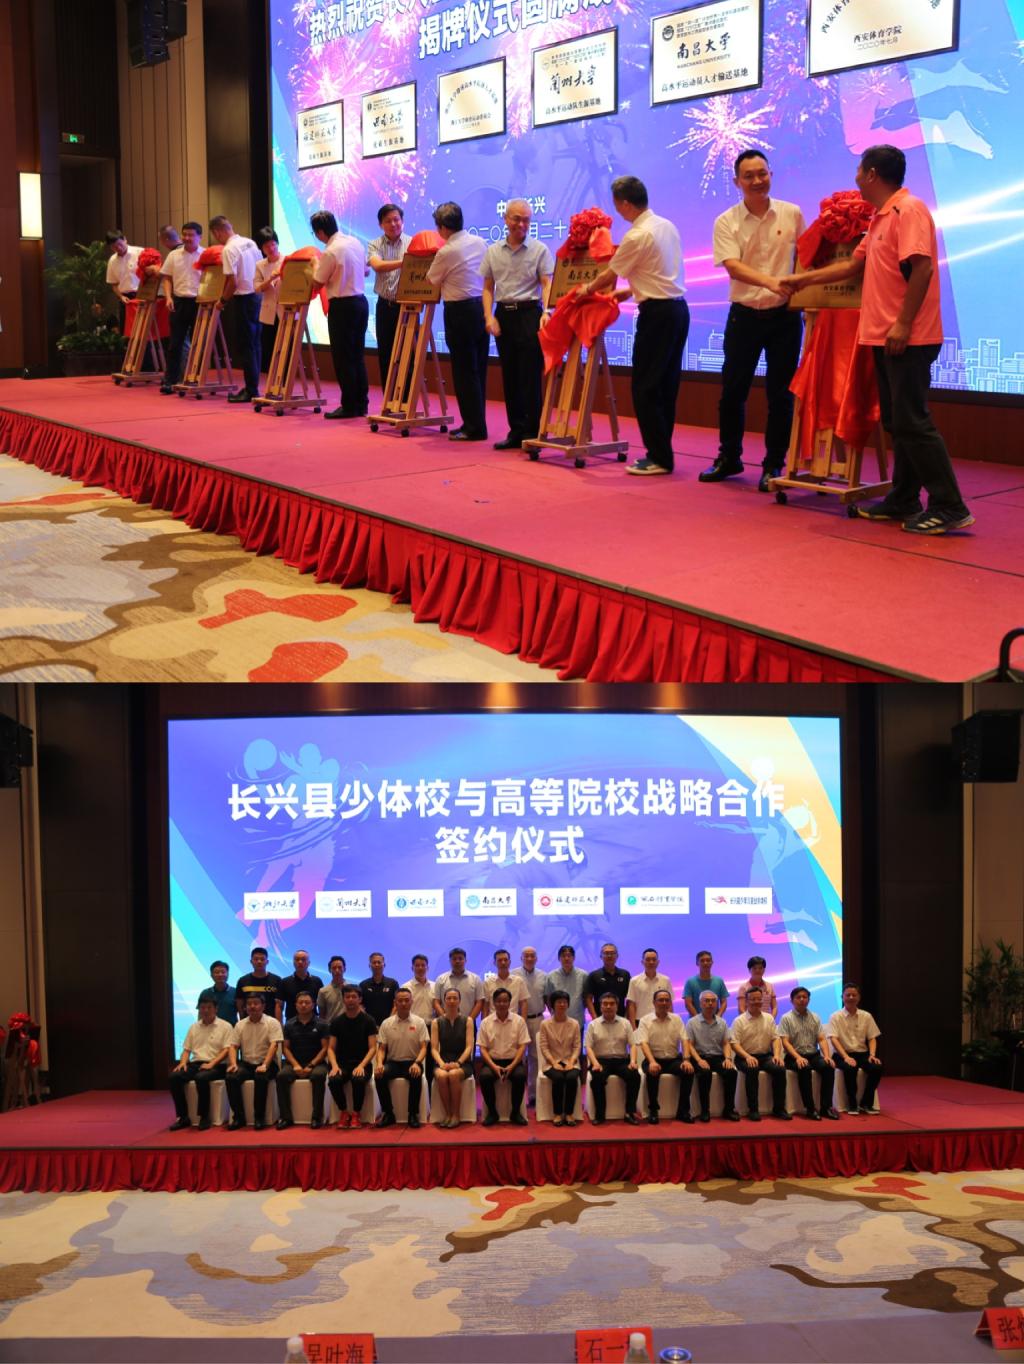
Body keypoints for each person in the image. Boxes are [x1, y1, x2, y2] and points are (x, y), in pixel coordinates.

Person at [782, 144, 972, 535]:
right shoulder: (880, 218)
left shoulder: (909, 210)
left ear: (871, 174)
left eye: (859, 170)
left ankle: (949, 505)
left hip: (908, 337)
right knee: (897, 422)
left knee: (913, 421)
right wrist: (801, 280)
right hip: (883, 337)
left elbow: (922, 269)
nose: (855, 177)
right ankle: (904, 498)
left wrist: (902, 324)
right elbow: (853, 266)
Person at [701, 150, 805, 492]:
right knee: (733, 392)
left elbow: (804, 258)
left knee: (781, 395)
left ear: (771, 174)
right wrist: (771, 281)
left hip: (785, 317)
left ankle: (774, 464)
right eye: (749, 176)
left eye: (762, 173)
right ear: (737, 182)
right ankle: (729, 457)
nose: (757, 180)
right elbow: (733, 266)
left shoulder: (792, 213)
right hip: (744, 315)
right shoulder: (726, 221)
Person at [578, 176, 688, 476]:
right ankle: (662, 452)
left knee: (645, 386)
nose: (617, 210)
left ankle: (659, 457)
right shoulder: (666, 225)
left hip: (657, 315)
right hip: (677, 310)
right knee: (666, 385)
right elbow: (659, 271)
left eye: (617, 204)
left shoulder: (637, 235)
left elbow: (609, 274)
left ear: (626, 203)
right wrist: (632, 290)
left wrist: (585, 289)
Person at [481, 198, 553, 449]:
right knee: (510, 375)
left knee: (530, 375)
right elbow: (488, 287)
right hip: (504, 315)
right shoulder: (493, 251)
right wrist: (489, 316)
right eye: (516, 219)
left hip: (530, 314)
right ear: (505, 219)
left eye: (526, 220)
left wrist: (548, 311)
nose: (521, 224)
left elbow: (546, 283)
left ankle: (533, 431)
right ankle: (516, 431)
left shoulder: (539, 249)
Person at [427, 202, 489, 442]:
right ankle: (476, 422)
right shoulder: (480, 242)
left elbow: (431, 280)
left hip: (459, 311)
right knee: (478, 368)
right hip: (480, 307)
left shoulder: (446, 251)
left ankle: (473, 427)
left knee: (464, 371)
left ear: (443, 227)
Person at [311, 209, 369, 420]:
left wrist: (314, 265)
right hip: (360, 302)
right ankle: (361, 403)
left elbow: (317, 282)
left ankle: (349, 405)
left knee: (344, 358)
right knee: (357, 356)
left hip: (342, 306)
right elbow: (366, 271)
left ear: (320, 232)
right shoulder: (354, 242)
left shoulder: (330, 251)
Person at [208, 215, 262, 403]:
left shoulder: (229, 249)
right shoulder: (250, 242)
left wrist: (222, 301)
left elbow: (232, 282)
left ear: (217, 232)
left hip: (244, 298)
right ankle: (253, 386)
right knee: (255, 344)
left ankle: (251, 390)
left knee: (247, 345)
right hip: (257, 295)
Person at [168, 998, 234, 1131]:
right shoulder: (194, 1027)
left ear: (216, 1009)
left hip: (218, 1065)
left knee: (201, 1077)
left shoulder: (225, 1026)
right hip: (196, 1063)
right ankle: (183, 1117)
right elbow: (187, 1049)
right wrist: (183, 1063)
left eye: (209, 1007)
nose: (205, 1010)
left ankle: (204, 1117)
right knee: (174, 1077)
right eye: (202, 1007)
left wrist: (211, 1064)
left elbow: (227, 1049)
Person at [730, 986, 791, 1121]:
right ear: (746, 1001)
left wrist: (777, 1056)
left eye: (759, 999)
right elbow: (734, 1044)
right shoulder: (739, 1021)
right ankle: (753, 1110)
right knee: (752, 1069)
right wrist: (748, 1056)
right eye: (753, 999)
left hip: (765, 1056)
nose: (756, 1002)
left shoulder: (769, 1018)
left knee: (780, 1069)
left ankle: (779, 1109)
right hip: (744, 1057)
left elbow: (775, 1039)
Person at [778, 986, 839, 1121]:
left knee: (828, 1066)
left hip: (813, 1055)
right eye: (798, 997)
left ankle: (826, 1108)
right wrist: (798, 1058)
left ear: (809, 1000)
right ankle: (810, 1109)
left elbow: (821, 1039)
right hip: (793, 1056)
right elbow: (785, 1042)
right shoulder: (786, 1018)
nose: (802, 999)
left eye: (804, 997)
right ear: (792, 1000)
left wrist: (827, 1056)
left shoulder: (815, 1017)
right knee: (804, 1068)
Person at [367, 202, 411, 387]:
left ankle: (406, 397)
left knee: (408, 354)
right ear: (381, 224)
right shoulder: (374, 244)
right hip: (385, 306)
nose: (393, 224)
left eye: (396, 219)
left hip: (408, 307)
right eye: (388, 221)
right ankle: (388, 396)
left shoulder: (412, 243)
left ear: (402, 221)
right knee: (386, 353)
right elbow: (377, 266)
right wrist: (407, 262)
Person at [636, 989, 695, 1124]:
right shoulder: (645, 1020)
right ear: (654, 1002)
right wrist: (652, 1062)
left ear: (670, 1003)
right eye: (660, 1000)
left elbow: (685, 1040)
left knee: (688, 1071)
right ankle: (653, 1110)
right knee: (652, 1072)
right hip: (653, 1059)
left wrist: (686, 1060)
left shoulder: (677, 1019)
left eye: (667, 1000)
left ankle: (683, 1111)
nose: (664, 1003)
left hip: (673, 1060)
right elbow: (644, 1043)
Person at [225, 994, 282, 1130]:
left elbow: (274, 1045)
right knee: (231, 1077)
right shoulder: (240, 1024)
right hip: (247, 1064)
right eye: (249, 1004)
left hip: (268, 1063)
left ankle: (259, 1118)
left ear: (263, 1006)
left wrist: (265, 1065)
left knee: (261, 1077)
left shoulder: (272, 1022)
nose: (252, 1006)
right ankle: (239, 1118)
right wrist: (233, 1064)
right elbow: (233, 1046)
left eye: (256, 1003)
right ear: (245, 1007)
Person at [374, 987, 429, 1127]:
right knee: (379, 1075)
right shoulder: (386, 1023)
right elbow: (381, 1049)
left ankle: (413, 1114)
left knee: (415, 1075)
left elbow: (424, 1047)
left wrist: (417, 1063)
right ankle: (388, 1114)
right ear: (395, 1003)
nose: (403, 1003)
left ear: (411, 1001)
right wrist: (379, 1064)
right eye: (400, 1001)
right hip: (393, 1063)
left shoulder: (419, 1022)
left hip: (413, 1062)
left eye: (406, 1000)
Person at [326, 983, 378, 1129]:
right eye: (347, 997)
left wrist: (361, 1066)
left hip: (362, 1063)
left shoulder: (368, 1020)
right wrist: (334, 1066)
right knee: (334, 1080)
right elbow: (331, 1048)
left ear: (360, 999)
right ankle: (344, 1112)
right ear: (343, 999)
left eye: (354, 997)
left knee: (358, 1079)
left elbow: (372, 1048)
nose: (350, 1000)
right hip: (341, 1064)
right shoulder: (336, 1022)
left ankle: (356, 1114)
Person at [276, 990, 329, 1129]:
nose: (304, 1005)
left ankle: (316, 1117)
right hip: (294, 1063)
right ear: (296, 1005)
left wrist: (311, 1065)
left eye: (307, 1002)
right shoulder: (289, 1024)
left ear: (313, 1005)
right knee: (281, 1076)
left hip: (317, 1063)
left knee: (318, 1076)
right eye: (301, 1002)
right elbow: (285, 1048)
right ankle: (285, 1118)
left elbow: (325, 1048)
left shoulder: (322, 1024)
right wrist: (295, 1065)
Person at [585, 992, 641, 1125]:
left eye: (612, 1004)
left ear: (617, 1006)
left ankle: (629, 1112)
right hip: (601, 1060)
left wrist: (633, 1061)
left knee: (634, 1075)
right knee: (597, 1078)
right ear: (600, 1006)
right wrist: (595, 1063)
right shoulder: (593, 1025)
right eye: (605, 1004)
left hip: (621, 1060)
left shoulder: (625, 1023)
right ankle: (600, 1114)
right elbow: (588, 1047)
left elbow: (633, 1045)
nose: (608, 1006)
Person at [159, 220, 201, 393]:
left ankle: (195, 379)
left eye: (191, 235)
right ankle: (170, 380)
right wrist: (168, 297)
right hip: (179, 302)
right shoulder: (174, 255)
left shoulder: (205, 255)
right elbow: (167, 278)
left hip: (199, 303)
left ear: (199, 237)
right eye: (185, 234)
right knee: (175, 343)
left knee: (199, 343)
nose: (187, 238)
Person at [826, 983, 882, 1114]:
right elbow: (834, 1039)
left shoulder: (866, 1016)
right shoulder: (835, 1016)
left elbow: (872, 1038)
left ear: (859, 997)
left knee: (877, 1068)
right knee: (850, 1068)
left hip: (862, 1054)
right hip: (842, 1054)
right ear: (842, 997)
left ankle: (866, 1103)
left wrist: (872, 1055)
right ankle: (852, 1104)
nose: (851, 997)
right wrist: (846, 1057)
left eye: (854, 995)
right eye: (848, 995)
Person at [686, 989, 740, 1122]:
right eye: (707, 1001)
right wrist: (699, 1060)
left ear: (716, 1003)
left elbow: (726, 1043)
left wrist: (728, 1059)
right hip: (699, 1057)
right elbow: (689, 1045)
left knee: (731, 1072)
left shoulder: (722, 1022)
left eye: (713, 1001)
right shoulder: (692, 1022)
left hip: (717, 1057)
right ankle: (705, 1111)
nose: (710, 1003)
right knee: (705, 1073)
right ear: (700, 1003)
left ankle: (729, 1110)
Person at [477, 987, 529, 1126]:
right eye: (499, 1001)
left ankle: (515, 1113)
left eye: (505, 1001)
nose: (502, 1004)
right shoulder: (486, 1022)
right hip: (492, 1062)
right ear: (493, 1003)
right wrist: (494, 1066)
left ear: (510, 1003)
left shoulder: (519, 1021)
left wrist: (512, 1066)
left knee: (520, 1076)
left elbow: (522, 1047)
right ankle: (492, 1113)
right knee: (485, 1077)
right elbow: (482, 1048)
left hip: (513, 1061)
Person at [431, 986, 474, 1128]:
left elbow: (469, 1047)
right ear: (444, 1001)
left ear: (460, 1001)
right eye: (448, 998)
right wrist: (441, 1064)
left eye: (455, 998)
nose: (451, 1001)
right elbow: (434, 1049)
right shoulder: (436, 1022)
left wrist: (458, 1063)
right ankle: (448, 1114)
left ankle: (456, 1115)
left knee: (454, 1074)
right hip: (442, 1062)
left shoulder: (468, 1020)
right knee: (442, 1076)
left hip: (463, 1062)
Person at [538, 989, 581, 1126]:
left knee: (571, 1077)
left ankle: (569, 1113)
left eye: (564, 1002)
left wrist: (572, 1062)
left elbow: (577, 1046)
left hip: (570, 1061)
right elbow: (544, 1046)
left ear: (568, 1004)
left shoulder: (574, 1024)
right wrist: (553, 1062)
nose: (562, 1005)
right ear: (552, 1005)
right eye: (558, 1002)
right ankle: (557, 1113)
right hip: (551, 1062)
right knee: (558, 1078)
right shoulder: (545, 1024)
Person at [512, 945, 548, 1104]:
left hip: (537, 1020)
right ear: (521, 958)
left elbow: (547, 999)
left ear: (536, 958)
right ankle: (517, 1097)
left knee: (535, 1058)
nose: (529, 958)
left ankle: (533, 1095)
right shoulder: (513, 975)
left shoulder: (544, 976)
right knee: (517, 1057)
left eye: (532, 955)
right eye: (526, 956)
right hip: (516, 1021)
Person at [254, 226, 283, 373]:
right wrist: (270, 279)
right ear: (262, 248)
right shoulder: (260, 265)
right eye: (266, 246)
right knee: (269, 345)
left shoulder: (287, 261)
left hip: (286, 310)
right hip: (268, 310)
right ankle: (272, 376)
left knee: (286, 346)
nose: (271, 248)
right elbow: (257, 288)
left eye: (273, 244)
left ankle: (284, 376)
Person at [544, 945, 588, 1032]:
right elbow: (547, 998)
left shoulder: (583, 975)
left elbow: (587, 998)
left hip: (577, 1020)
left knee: (577, 1042)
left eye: (569, 956)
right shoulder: (551, 976)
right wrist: (553, 1012)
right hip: (557, 1021)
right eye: (563, 956)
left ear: (574, 958)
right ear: (559, 958)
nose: (566, 958)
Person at [433, 947, 484, 1020]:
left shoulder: (475, 979)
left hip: (469, 1022)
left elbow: (479, 1002)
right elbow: (436, 1002)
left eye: (460, 958)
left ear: (465, 960)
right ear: (450, 961)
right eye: (454, 959)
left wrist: (469, 1021)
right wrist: (445, 1019)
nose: (457, 961)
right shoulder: (441, 979)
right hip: (445, 1022)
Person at [584, 942, 631, 1019]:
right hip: (599, 1018)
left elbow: (630, 998)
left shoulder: (625, 975)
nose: (609, 956)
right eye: (606, 953)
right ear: (601, 956)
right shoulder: (594, 975)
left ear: (617, 956)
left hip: (621, 1018)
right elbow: (588, 998)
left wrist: (626, 1016)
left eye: (612, 953)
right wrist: (594, 1017)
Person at [235, 946, 283, 1020]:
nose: (259, 962)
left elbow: (279, 1005)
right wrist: (242, 1021)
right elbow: (240, 1005)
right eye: (256, 959)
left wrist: (279, 1024)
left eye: (262, 959)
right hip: (249, 1022)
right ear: (251, 961)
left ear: (267, 962)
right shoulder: (242, 981)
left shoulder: (277, 980)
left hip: (270, 1023)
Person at [626, 948, 672, 1027]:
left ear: (658, 962)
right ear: (642, 962)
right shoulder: (634, 981)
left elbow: (669, 1004)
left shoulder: (665, 980)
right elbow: (631, 1005)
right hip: (640, 1022)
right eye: (648, 959)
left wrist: (670, 1022)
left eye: (654, 959)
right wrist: (633, 1027)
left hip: (662, 1020)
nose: (651, 962)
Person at [280, 949, 325, 1021]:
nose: (300, 962)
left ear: (309, 963)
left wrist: (322, 1023)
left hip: (313, 1023)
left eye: (303, 959)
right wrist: (280, 1024)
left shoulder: (317, 981)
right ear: (293, 963)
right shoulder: (285, 982)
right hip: (291, 1023)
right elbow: (279, 1006)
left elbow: (322, 1006)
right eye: (297, 959)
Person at [483, 948, 528, 1018]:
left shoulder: (518, 981)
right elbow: (485, 1005)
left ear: (509, 962)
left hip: (513, 1021)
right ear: (494, 963)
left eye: (505, 960)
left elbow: (523, 1003)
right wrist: (484, 1022)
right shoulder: (488, 982)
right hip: (493, 1021)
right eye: (500, 960)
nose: (503, 962)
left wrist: (523, 1021)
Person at [358, 952, 400, 1026]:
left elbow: (396, 1004)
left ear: (384, 965)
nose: (376, 965)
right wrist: (369, 1022)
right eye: (374, 962)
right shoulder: (363, 985)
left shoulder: (393, 983)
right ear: (369, 965)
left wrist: (388, 1022)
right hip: (368, 1026)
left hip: (389, 1025)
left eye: (379, 962)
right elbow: (359, 1005)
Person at [683, 950, 728, 1017]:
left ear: (712, 962)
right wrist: (698, 1020)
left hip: (715, 1021)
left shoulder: (719, 981)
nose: (705, 963)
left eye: (708, 960)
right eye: (702, 961)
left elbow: (724, 1002)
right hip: (695, 1022)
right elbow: (688, 1004)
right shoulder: (690, 982)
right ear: (697, 963)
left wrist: (718, 1017)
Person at [105, 228, 142, 303]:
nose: (119, 248)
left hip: (142, 295)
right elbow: (114, 284)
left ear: (125, 239)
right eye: (114, 247)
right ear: (110, 247)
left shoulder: (140, 252)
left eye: (120, 244)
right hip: (125, 298)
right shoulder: (112, 261)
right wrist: (121, 296)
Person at [197, 958, 236, 1023]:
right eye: (217, 972)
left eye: (223, 972)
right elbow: (200, 1014)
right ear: (211, 975)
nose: (220, 975)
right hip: (209, 1028)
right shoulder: (205, 993)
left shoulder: (235, 992)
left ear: (228, 974)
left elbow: (241, 1012)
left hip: (231, 1028)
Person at [316, 955, 348, 1024]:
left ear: (344, 969)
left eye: (340, 967)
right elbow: (322, 1015)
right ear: (329, 970)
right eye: (334, 968)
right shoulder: (323, 991)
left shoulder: (352, 989)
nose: (337, 970)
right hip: (330, 1027)